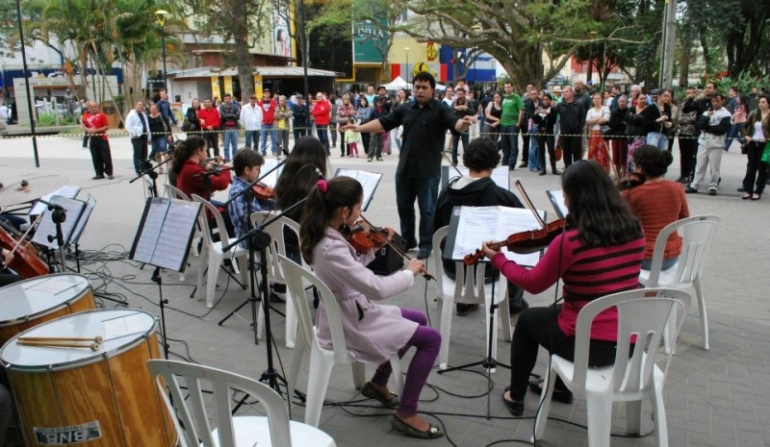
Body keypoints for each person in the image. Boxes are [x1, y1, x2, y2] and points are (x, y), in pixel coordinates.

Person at [481, 160, 645, 416]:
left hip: (590, 347)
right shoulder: (635, 229)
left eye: (566, 194)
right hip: (629, 342)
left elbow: (533, 283)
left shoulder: (570, 241)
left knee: (527, 321)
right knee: (557, 311)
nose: (565, 201)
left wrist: (498, 258)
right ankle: (558, 387)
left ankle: (515, 395)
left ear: (576, 198)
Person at [299, 176, 442, 439]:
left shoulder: (324, 235)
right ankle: (407, 412)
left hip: (350, 310)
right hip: (349, 322)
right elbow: (376, 288)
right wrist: (409, 273)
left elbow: (349, 271)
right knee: (432, 339)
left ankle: (378, 382)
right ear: (344, 212)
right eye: (359, 207)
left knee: (419, 318)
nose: (361, 214)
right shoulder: (332, 248)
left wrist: (371, 250)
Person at [343, 71, 475, 260]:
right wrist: (359, 128)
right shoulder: (405, 109)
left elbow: (455, 123)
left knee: (427, 210)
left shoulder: (440, 109)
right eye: (417, 87)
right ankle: (408, 240)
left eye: (424, 88)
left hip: (428, 171)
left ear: (432, 89)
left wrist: (464, 124)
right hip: (404, 169)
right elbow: (383, 122)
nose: (420, 91)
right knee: (404, 208)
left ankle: (426, 244)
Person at [434, 138, 527, 316]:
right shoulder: (503, 197)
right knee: (517, 249)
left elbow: (437, 231)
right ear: (494, 163)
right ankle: (514, 304)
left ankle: (464, 302)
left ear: (466, 161)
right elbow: (523, 231)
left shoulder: (446, 192)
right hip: (489, 270)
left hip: (452, 268)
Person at [622, 145, 690, 270]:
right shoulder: (677, 188)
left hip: (644, 256)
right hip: (672, 256)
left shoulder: (633, 192)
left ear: (640, 169)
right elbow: (684, 216)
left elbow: (619, 222)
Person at [274, 136, 329, 264]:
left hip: (287, 234)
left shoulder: (285, 178)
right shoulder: (317, 186)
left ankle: (283, 282)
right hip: (312, 239)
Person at [686, 93, 731, 196]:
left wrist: (707, 128)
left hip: (716, 143)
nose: (715, 103)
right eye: (713, 101)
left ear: (722, 101)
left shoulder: (726, 114)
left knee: (714, 167)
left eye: (717, 101)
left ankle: (713, 185)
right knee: (699, 165)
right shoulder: (707, 113)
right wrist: (707, 120)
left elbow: (721, 129)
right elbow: (699, 125)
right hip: (703, 142)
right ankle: (695, 184)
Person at [228, 149, 274, 247]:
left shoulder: (250, 187)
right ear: (247, 170)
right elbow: (244, 219)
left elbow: (264, 203)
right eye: (257, 169)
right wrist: (265, 220)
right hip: (249, 238)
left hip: (257, 232)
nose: (260, 173)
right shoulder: (238, 190)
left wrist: (279, 202)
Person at [173, 135, 232, 211]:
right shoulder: (194, 170)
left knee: (225, 205)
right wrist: (226, 168)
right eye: (205, 150)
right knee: (230, 210)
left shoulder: (184, 164)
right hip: (199, 211)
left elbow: (208, 186)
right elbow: (222, 184)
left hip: (191, 205)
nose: (206, 153)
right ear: (199, 151)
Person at [740, 95, 770, 200]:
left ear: (768, 103)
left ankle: (758, 191)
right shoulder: (754, 113)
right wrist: (747, 136)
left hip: (765, 144)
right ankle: (749, 190)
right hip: (753, 143)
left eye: (763, 102)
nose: (760, 104)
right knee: (751, 167)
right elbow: (744, 126)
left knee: (762, 167)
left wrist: (767, 138)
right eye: (760, 102)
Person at [555, 86, 587, 168]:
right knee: (566, 152)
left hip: (576, 133)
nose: (564, 93)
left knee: (577, 152)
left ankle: (577, 170)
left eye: (567, 92)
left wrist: (579, 129)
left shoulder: (579, 104)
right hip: (565, 132)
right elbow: (552, 115)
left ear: (572, 93)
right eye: (564, 92)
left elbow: (582, 118)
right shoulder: (560, 105)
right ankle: (568, 169)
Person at [82, 100, 114, 179]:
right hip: (93, 139)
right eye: (91, 107)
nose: (93, 108)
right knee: (95, 157)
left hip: (102, 138)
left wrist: (96, 130)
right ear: (89, 108)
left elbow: (106, 127)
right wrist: (87, 130)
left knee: (106, 157)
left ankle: (109, 172)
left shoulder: (102, 115)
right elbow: (83, 125)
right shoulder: (87, 116)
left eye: (95, 107)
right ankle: (99, 173)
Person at [532, 93, 559, 175]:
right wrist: (535, 114)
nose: (545, 101)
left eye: (547, 99)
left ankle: (554, 168)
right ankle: (543, 168)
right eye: (544, 100)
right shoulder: (539, 108)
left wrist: (548, 114)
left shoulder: (553, 109)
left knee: (551, 151)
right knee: (541, 150)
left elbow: (554, 120)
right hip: (540, 131)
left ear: (550, 100)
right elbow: (536, 121)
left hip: (549, 131)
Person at [585, 93, 611, 174]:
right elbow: (588, 121)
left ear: (601, 99)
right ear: (593, 100)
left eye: (598, 98)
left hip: (602, 133)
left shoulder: (605, 108)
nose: (597, 100)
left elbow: (606, 119)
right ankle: (592, 170)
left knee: (603, 152)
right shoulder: (590, 110)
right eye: (595, 98)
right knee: (593, 151)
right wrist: (600, 117)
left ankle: (603, 170)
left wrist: (594, 120)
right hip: (593, 133)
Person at [500, 81, 524, 169]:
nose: (507, 89)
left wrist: (518, 122)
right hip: (503, 124)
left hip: (513, 124)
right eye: (505, 87)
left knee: (513, 144)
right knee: (504, 144)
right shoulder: (503, 97)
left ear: (512, 87)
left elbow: (521, 110)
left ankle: (512, 163)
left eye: (509, 87)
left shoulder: (516, 97)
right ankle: (505, 161)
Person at [608, 95, 631, 175]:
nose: (621, 103)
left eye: (623, 101)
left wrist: (621, 124)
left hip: (625, 137)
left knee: (624, 157)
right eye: (620, 101)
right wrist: (622, 123)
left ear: (626, 102)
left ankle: (624, 174)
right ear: (618, 102)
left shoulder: (629, 111)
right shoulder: (614, 112)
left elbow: (629, 124)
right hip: (616, 136)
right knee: (616, 157)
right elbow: (611, 124)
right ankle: (617, 175)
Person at [450, 87, 473, 165]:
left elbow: (473, 112)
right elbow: (449, 113)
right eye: (458, 94)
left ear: (464, 94)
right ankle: (454, 161)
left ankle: (466, 162)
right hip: (455, 126)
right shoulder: (454, 102)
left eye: (461, 94)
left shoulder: (468, 102)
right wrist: (455, 109)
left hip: (465, 126)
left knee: (466, 146)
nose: (460, 95)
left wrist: (466, 108)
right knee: (454, 146)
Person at [146, 103, 172, 172]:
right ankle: (160, 167)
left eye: (154, 109)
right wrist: (148, 138)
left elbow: (168, 125)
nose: (153, 110)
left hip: (162, 136)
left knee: (164, 151)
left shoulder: (161, 116)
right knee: (157, 152)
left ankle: (169, 166)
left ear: (157, 109)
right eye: (151, 109)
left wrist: (169, 134)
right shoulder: (148, 117)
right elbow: (146, 128)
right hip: (153, 137)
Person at [218, 93, 240, 160]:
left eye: (229, 98)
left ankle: (235, 159)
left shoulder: (235, 106)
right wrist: (232, 115)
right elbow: (223, 116)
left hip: (234, 128)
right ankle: (227, 159)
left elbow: (237, 116)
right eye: (226, 98)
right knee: (226, 146)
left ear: (231, 99)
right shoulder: (221, 107)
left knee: (235, 146)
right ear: (224, 99)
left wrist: (228, 116)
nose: (227, 100)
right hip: (226, 128)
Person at [367, 97, 388, 162]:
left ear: (382, 103)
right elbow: (370, 120)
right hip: (374, 129)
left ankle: (378, 156)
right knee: (372, 143)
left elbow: (386, 120)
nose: (379, 104)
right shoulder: (373, 111)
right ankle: (370, 156)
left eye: (380, 103)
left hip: (381, 129)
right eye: (378, 103)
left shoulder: (384, 111)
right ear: (376, 103)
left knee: (380, 144)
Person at [260, 89, 278, 157]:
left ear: (270, 94)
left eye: (268, 93)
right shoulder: (260, 103)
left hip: (272, 123)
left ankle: (274, 150)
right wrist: (260, 121)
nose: (267, 94)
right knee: (263, 139)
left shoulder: (273, 102)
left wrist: (275, 120)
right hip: (264, 124)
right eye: (265, 93)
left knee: (274, 138)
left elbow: (276, 111)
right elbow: (258, 112)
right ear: (263, 94)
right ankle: (263, 151)